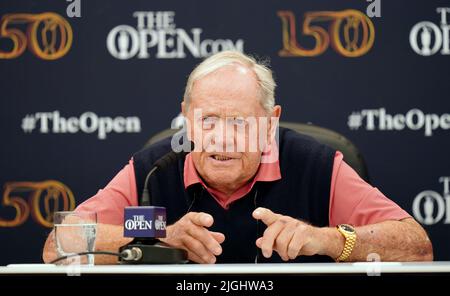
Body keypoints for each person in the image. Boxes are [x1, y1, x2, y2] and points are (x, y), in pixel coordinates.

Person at [43, 51, 432, 264]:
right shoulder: (154, 171)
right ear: (187, 119)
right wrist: (158, 234)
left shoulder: (315, 166)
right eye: (207, 120)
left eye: (240, 122)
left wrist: (326, 240)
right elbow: (60, 244)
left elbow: (417, 246)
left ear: (270, 122)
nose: (222, 139)